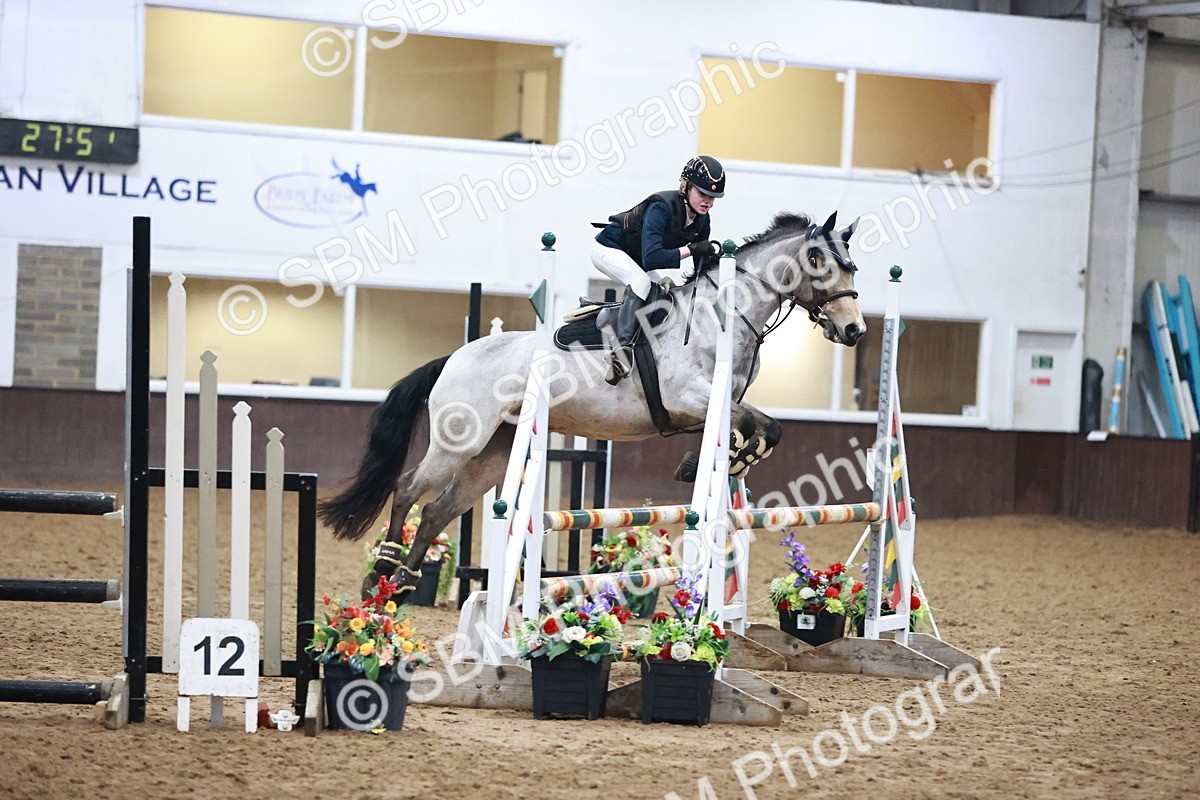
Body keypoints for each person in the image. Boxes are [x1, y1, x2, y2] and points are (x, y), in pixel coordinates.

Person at [592, 155, 726, 385]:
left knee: (666, 290)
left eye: (713, 197)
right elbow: (652, 258)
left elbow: (699, 269)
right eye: (703, 194)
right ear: (685, 187)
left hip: (636, 259)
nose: (708, 201)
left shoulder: (702, 221)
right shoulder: (661, 207)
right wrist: (691, 249)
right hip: (608, 249)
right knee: (641, 283)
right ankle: (621, 352)